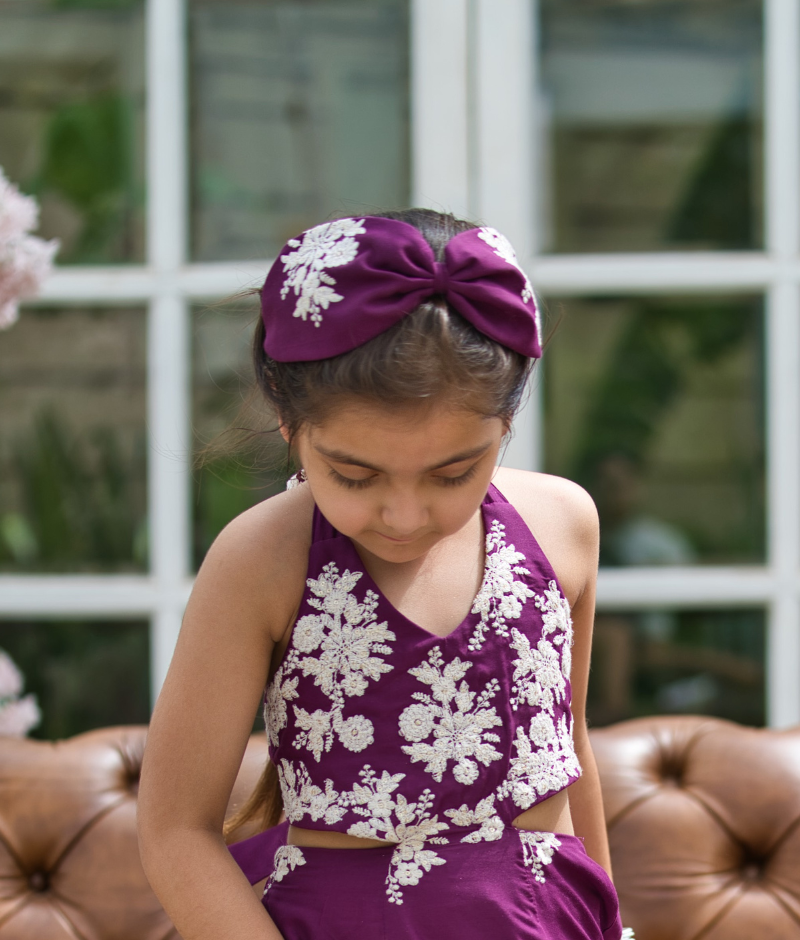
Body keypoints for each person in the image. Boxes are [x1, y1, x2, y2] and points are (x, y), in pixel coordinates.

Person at [138, 209, 633, 939]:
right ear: (287, 420)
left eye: (453, 473)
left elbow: (570, 748)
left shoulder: (564, 524)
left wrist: (610, 924)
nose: (404, 515)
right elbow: (175, 830)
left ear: (506, 422)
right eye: (354, 475)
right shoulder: (261, 559)